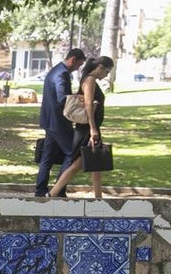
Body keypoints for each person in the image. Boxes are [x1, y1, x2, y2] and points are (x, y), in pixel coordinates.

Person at [49, 55, 115, 200]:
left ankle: (98, 197)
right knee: (78, 164)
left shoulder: (88, 80)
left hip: (90, 128)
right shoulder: (90, 80)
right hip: (87, 128)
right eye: (107, 70)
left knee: (95, 162)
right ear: (100, 67)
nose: (107, 74)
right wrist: (93, 129)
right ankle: (53, 193)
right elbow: (89, 104)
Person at [35, 48, 86, 197]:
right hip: (59, 122)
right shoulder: (62, 74)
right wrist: (81, 99)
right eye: (78, 65)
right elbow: (62, 98)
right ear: (72, 60)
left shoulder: (54, 70)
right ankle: (59, 188)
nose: (77, 69)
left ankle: (40, 190)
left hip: (49, 120)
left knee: (47, 158)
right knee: (72, 153)